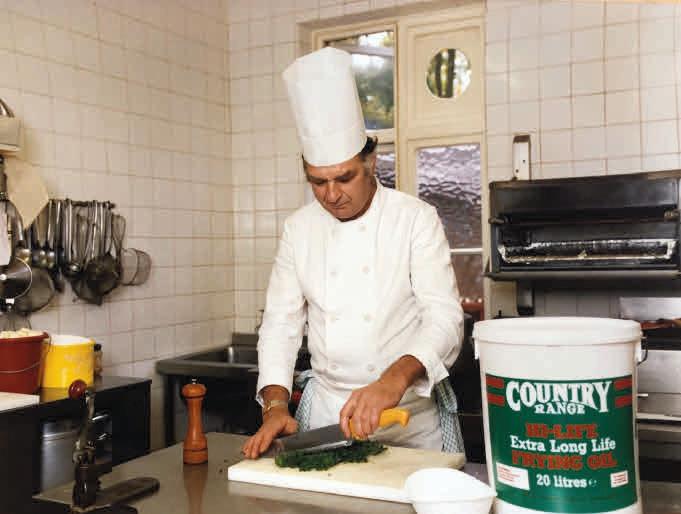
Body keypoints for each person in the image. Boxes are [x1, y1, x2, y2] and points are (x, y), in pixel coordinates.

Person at [242, 47, 464, 459]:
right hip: (329, 418)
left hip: (407, 418)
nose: (331, 195)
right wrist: (275, 406)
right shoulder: (298, 229)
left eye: (343, 178)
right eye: (317, 182)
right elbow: (280, 324)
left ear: (371, 163)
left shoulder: (415, 219)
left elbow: (445, 318)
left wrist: (392, 380)